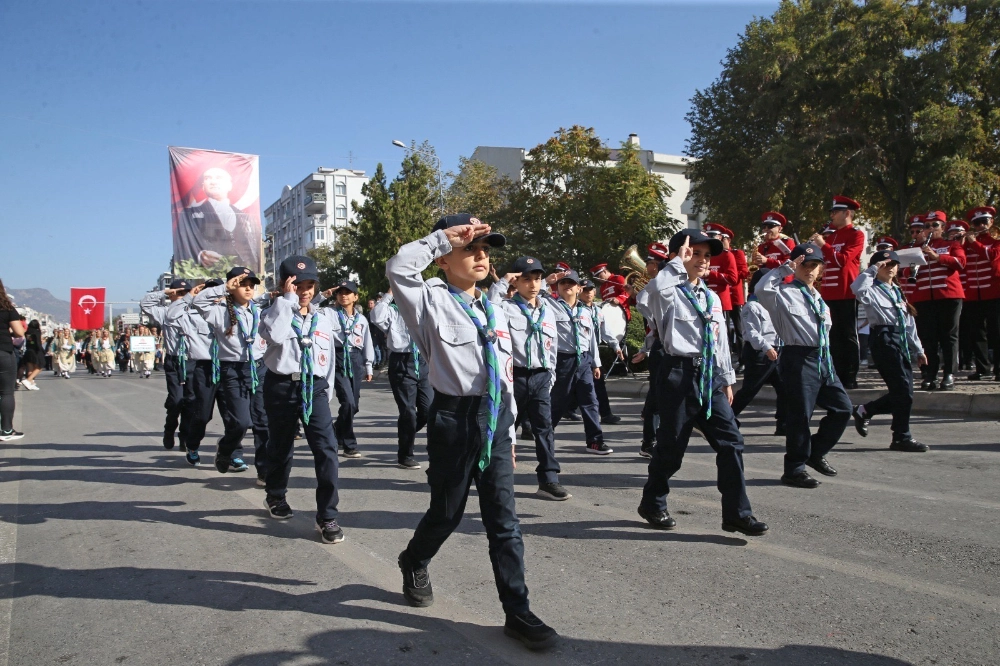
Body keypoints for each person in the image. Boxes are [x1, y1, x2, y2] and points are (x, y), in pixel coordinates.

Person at [386, 214, 556, 650]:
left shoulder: (495, 308)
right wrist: (442, 238)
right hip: (453, 420)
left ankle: (518, 611)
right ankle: (415, 559)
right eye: (470, 249)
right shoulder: (428, 300)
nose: (481, 255)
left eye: (485, 249)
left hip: (495, 419)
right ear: (444, 260)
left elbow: (505, 373)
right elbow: (399, 267)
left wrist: (511, 432)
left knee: (504, 521)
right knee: (447, 512)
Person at [636, 230, 766, 536]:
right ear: (680, 255)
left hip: (708, 376)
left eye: (707, 255)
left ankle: (736, 514)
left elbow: (719, 344)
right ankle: (653, 502)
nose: (703, 261)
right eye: (695, 253)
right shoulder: (666, 293)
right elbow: (647, 297)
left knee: (731, 441)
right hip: (677, 374)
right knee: (671, 449)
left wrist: (727, 380)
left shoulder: (710, 297)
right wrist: (675, 265)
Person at [258, 255, 344, 543]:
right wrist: (286, 300)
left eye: (309, 285)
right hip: (281, 387)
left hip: (314, 387)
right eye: (297, 285)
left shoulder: (325, 317)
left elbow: (329, 357)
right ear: (285, 285)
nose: (304, 291)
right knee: (281, 447)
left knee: (327, 449)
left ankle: (327, 515)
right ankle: (276, 495)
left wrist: (327, 389)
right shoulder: (271, 314)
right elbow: (277, 336)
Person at [755, 243, 851, 489]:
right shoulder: (783, 292)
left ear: (821, 268)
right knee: (801, 416)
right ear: (796, 266)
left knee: (842, 409)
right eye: (804, 264)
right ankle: (794, 470)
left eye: (814, 265)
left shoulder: (818, 297)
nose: (809, 269)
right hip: (798, 356)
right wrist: (784, 268)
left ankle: (815, 452)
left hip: (822, 358)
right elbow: (761, 288)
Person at [488, 257, 567, 500]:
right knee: (504, 427)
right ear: (516, 281)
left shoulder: (549, 309)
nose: (533, 284)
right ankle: (492, 475)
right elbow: (489, 307)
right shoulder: (507, 307)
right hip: (516, 377)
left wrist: (550, 375)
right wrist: (502, 282)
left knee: (545, 428)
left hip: (541, 375)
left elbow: (551, 346)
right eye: (526, 279)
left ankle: (549, 479)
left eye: (537, 279)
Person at [850, 251, 929, 452]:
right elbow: (856, 287)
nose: (891, 267)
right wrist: (873, 269)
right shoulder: (871, 289)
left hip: (899, 339)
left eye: (894, 263)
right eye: (885, 264)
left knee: (904, 392)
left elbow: (909, 323)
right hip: (883, 339)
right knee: (903, 390)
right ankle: (901, 436)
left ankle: (865, 411)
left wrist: (918, 349)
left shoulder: (896, 291)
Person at [190, 268, 263, 472]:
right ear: (232, 286)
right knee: (240, 422)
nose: (248, 288)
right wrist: (224, 287)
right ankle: (225, 448)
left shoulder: (258, 309)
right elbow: (198, 302)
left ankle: (264, 470)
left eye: (251, 285)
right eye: (242, 284)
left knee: (262, 423)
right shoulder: (219, 311)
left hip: (258, 369)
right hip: (232, 370)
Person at [544, 269, 612, 455]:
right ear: (557, 287)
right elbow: (533, 295)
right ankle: (544, 437)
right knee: (558, 402)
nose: (567, 286)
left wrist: (596, 363)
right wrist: (545, 281)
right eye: (563, 283)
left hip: (583, 360)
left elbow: (591, 340)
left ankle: (595, 441)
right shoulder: (549, 305)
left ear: (578, 288)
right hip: (562, 360)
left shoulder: (585, 311)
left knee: (590, 401)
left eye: (571, 283)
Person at [370, 288, 433, 469]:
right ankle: (405, 454)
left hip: (423, 360)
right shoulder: (393, 311)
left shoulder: (425, 310)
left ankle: (407, 434)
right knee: (408, 412)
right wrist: (389, 294)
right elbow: (376, 316)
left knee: (429, 410)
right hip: (402, 362)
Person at [903, 211, 965, 391]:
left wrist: (937, 257)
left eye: (934, 225)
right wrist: (915, 261)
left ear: (943, 228)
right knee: (928, 338)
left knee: (949, 336)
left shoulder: (951, 244)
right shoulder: (916, 247)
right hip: (924, 297)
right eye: (926, 226)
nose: (930, 229)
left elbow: (961, 263)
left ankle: (949, 374)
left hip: (948, 295)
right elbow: (906, 273)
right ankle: (930, 373)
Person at [811, 196, 865, 389]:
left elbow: (843, 260)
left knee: (848, 335)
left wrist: (823, 245)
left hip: (846, 292)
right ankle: (835, 373)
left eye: (835, 212)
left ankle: (850, 375)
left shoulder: (856, 235)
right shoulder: (831, 236)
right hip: (828, 292)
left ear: (847, 213)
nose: (831, 216)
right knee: (832, 335)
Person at [320, 280, 374, 458]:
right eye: (340, 292)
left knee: (354, 405)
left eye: (348, 292)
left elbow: (367, 343)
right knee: (348, 402)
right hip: (337, 357)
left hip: (356, 358)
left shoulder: (361, 319)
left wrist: (368, 366)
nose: (344, 295)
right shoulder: (328, 313)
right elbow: (309, 307)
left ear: (355, 296)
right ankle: (350, 444)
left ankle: (336, 431)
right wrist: (323, 295)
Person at [141, 280, 197, 450]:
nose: (182, 296)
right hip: (174, 361)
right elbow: (145, 304)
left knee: (190, 401)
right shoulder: (165, 312)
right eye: (179, 293)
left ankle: (185, 436)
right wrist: (166, 291)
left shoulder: (195, 311)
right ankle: (169, 428)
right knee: (176, 400)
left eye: (185, 293)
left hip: (192, 360)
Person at [731, 269, 786, 435]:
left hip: (777, 350)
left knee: (785, 388)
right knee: (750, 390)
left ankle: (783, 423)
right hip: (760, 353)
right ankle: (725, 419)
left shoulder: (774, 304)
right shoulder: (752, 306)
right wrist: (766, 347)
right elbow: (752, 332)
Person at [176, 166, 261, 270]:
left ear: (230, 185)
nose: (213, 182)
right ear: (203, 186)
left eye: (219, 178)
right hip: (209, 276)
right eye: (208, 178)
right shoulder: (189, 214)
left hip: (241, 277)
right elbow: (183, 245)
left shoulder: (246, 218)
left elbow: (253, 252)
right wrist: (199, 256)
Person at [633, 242, 670, 458]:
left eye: (648, 263)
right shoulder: (652, 289)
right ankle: (649, 442)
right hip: (662, 347)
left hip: (669, 347)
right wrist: (646, 349)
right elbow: (653, 323)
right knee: (656, 397)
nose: (646, 267)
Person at [960, 207, 1000, 381]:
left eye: (984, 221)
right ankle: (983, 368)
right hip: (972, 294)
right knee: (977, 333)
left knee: (996, 332)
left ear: (991, 222)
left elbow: (992, 256)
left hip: (994, 293)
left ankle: (999, 368)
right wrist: (960, 242)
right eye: (977, 223)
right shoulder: (967, 242)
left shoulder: (996, 240)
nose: (981, 225)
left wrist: (974, 243)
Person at [578, 279, 623, 425]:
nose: (588, 293)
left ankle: (605, 414)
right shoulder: (576, 309)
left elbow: (605, 331)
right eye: (585, 290)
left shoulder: (597, 310)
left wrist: (615, 346)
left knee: (598, 384)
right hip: (581, 353)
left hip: (593, 352)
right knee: (571, 387)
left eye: (590, 289)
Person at [0, 279, 26, 441]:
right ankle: (7, 431)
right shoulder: (7, 309)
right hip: (3, 351)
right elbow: (19, 332)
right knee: (6, 392)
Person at [17, 320, 43, 390]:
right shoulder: (36, 332)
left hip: (28, 350)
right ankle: (28, 380)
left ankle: (31, 383)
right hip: (35, 351)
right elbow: (38, 343)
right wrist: (42, 350)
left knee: (30, 369)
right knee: (40, 367)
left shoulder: (27, 332)